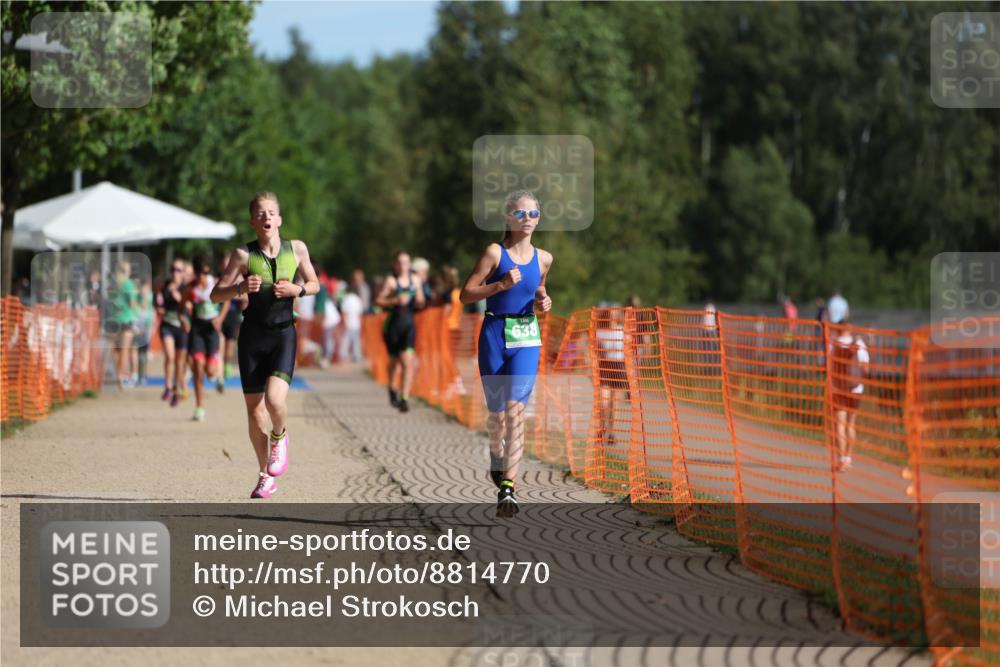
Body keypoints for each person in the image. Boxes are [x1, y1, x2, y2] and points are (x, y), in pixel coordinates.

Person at [212, 191, 320, 499]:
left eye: (271, 212)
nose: (266, 217)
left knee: (275, 401)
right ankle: (265, 475)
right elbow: (215, 295)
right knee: (255, 412)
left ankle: (280, 436)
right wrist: (239, 287)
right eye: (260, 214)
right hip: (252, 339)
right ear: (253, 222)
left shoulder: (296, 249)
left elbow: (315, 284)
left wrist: (297, 289)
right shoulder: (243, 256)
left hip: (283, 334)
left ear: (280, 219)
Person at [460, 189, 553, 518]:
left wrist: (543, 299)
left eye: (534, 214)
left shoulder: (545, 258)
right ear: (509, 218)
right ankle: (496, 458)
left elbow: (538, 286)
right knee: (497, 416)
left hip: (526, 335)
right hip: (495, 334)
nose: (528, 220)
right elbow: (465, 294)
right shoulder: (495, 254)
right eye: (521, 214)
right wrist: (498, 287)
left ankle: (509, 490)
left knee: (516, 414)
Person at [375, 251, 426, 413]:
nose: (403, 265)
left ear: (409, 264)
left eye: (405, 262)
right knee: (394, 361)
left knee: (407, 362)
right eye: (399, 262)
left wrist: (419, 300)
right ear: (395, 265)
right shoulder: (391, 281)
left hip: (408, 325)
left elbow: (421, 301)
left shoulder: (415, 280)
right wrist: (394, 300)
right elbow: (378, 301)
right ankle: (391, 388)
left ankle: (404, 398)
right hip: (392, 326)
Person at [182, 255, 229, 421]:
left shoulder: (214, 283)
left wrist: (220, 318)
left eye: (205, 272)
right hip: (197, 329)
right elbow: (182, 308)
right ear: (195, 272)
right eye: (200, 272)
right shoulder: (190, 288)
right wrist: (184, 320)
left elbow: (227, 301)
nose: (203, 275)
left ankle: (216, 370)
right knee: (197, 368)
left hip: (211, 328)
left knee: (210, 372)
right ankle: (199, 407)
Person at [830, 318, 870, 472]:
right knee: (851, 424)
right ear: (851, 328)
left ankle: (840, 459)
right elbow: (866, 369)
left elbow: (827, 365)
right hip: (856, 389)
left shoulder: (833, 342)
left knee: (839, 424)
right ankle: (848, 457)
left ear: (838, 328)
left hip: (838, 388)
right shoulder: (858, 343)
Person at [156, 258, 188, 407]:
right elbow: (158, 304)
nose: (176, 273)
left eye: (179, 270)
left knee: (179, 362)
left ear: (183, 273)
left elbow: (190, 307)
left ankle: (176, 389)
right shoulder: (165, 287)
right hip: (167, 325)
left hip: (181, 328)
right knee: (170, 356)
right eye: (173, 269)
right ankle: (167, 386)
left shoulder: (186, 288)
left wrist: (180, 298)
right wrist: (159, 306)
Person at [595, 307, 628, 448]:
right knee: (604, 401)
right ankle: (601, 428)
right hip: (604, 367)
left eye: (613, 315)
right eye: (609, 315)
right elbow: (595, 352)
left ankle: (612, 432)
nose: (611, 318)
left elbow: (629, 349)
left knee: (615, 403)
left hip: (619, 367)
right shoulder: (599, 332)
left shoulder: (622, 331)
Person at [106, 261, 138, 389]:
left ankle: (116, 375)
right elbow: (132, 304)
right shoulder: (129, 284)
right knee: (125, 350)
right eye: (129, 270)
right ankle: (121, 376)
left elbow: (109, 301)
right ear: (126, 271)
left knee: (115, 350)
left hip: (113, 320)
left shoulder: (112, 285)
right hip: (126, 320)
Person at [219, 251, 246, 388]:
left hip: (233, 317)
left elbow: (247, 297)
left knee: (229, 351)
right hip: (219, 317)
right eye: (224, 262)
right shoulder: (218, 279)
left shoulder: (240, 278)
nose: (226, 265)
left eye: (228, 262)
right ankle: (220, 377)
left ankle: (227, 364)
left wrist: (233, 294)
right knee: (220, 346)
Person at [132, 277, 154, 386]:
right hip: (144, 322)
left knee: (141, 351)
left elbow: (144, 306)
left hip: (144, 322)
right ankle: (140, 376)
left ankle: (141, 376)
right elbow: (144, 305)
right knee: (140, 351)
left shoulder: (144, 290)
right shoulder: (145, 290)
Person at [339, 285, 364, 363]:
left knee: (346, 341)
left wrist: (344, 322)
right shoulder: (358, 299)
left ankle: (343, 356)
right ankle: (356, 356)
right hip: (356, 323)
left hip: (348, 322)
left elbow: (344, 312)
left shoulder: (346, 298)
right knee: (356, 341)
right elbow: (360, 313)